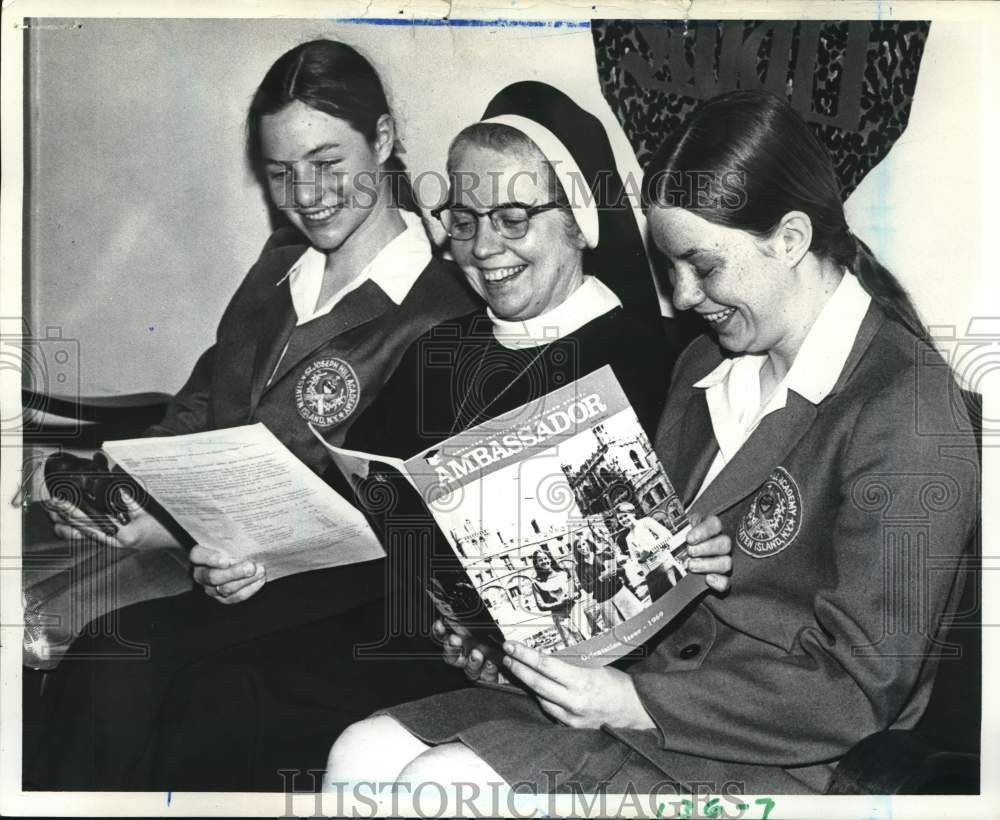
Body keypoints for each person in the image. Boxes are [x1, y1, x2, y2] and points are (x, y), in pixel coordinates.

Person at [324, 89, 978, 797]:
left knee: (445, 784)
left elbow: (857, 687)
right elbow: (645, 579)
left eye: (704, 266)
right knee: (360, 753)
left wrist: (632, 701)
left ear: (789, 239)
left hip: (775, 755)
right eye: (670, 268)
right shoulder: (704, 366)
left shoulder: (905, 403)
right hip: (646, 699)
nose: (684, 296)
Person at [26, 39, 477, 790]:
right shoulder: (278, 264)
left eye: (329, 164)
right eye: (280, 174)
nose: (307, 194)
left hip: (331, 592)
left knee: (122, 662)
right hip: (208, 554)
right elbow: (202, 402)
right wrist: (119, 490)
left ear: (387, 140)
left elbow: (399, 518)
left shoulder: (440, 312)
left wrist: (182, 530)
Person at [572, 530, 642, 631]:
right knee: (622, 629)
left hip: (620, 593)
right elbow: (587, 588)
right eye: (579, 547)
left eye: (584, 544)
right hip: (604, 601)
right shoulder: (579, 568)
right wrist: (600, 578)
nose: (582, 547)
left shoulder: (605, 555)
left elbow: (622, 571)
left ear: (589, 544)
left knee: (638, 618)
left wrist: (615, 571)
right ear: (576, 550)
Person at [618, 501, 687, 599]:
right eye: (620, 518)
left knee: (681, 595)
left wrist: (650, 550)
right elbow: (634, 559)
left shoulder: (645, 522)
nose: (623, 519)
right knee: (665, 603)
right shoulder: (628, 538)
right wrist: (638, 560)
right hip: (650, 576)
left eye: (625, 515)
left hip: (665, 565)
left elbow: (667, 535)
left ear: (632, 513)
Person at [530, 549, 587, 647]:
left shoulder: (563, 573)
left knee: (588, 635)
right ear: (536, 564)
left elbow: (577, 591)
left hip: (575, 610)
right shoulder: (536, 583)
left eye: (545, 558)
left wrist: (575, 595)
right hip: (559, 616)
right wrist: (561, 603)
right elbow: (541, 606)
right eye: (540, 560)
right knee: (572, 644)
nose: (544, 561)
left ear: (550, 559)